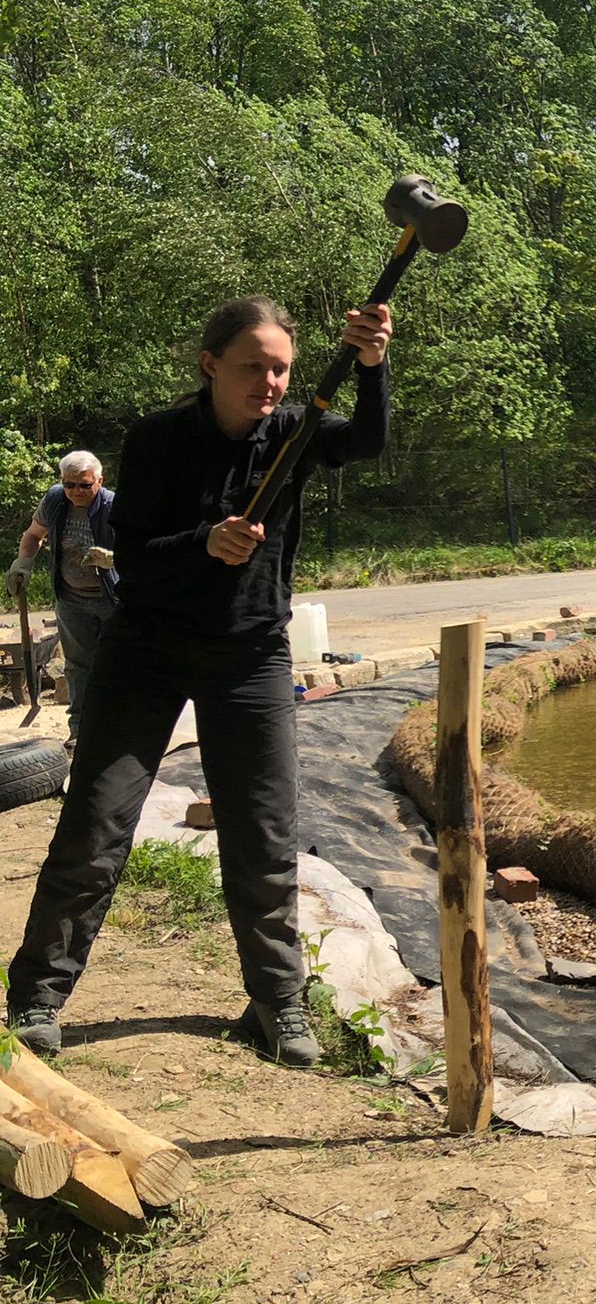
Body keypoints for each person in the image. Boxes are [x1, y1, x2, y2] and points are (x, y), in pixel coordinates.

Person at [6, 295, 392, 1065]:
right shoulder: (157, 439)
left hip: (250, 657)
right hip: (145, 652)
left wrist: (375, 366)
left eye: (281, 368)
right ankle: (37, 998)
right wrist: (203, 543)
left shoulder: (295, 432)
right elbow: (132, 555)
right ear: (211, 365)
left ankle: (276, 1004)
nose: (272, 382)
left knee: (265, 836)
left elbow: (371, 442)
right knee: (97, 825)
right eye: (254, 367)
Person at [5, 452, 118, 747]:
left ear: (99, 481)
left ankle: (121, 730)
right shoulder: (55, 501)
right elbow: (33, 536)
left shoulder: (114, 505)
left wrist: (115, 560)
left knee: (118, 663)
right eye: (70, 485)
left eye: (84, 485)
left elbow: (145, 549)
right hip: (71, 599)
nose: (76, 492)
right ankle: (79, 730)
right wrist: (22, 565)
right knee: (78, 665)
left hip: (113, 600)